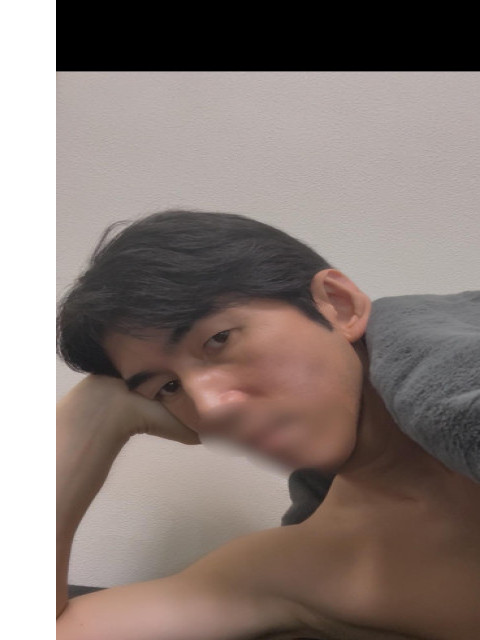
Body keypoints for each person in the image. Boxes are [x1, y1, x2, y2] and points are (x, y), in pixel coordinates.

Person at [56, 210, 480, 640]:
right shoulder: (309, 564)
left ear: (338, 305)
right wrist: (93, 417)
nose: (210, 409)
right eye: (168, 388)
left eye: (219, 339)